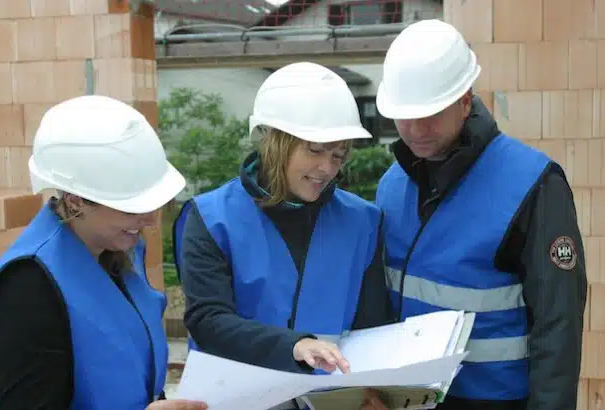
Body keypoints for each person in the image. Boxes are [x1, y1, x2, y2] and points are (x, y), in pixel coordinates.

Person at [374, 19, 588, 410]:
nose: (417, 129)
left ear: (465, 100)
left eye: (432, 113)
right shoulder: (390, 186)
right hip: (407, 399)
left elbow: (558, 327)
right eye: (405, 115)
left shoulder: (534, 185)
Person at [173, 62, 394, 409]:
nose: (327, 168)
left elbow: (371, 325)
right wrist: (293, 346)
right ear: (275, 141)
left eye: (338, 155)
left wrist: (375, 393)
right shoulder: (211, 217)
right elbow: (208, 320)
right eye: (314, 150)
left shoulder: (363, 221)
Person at [0, 95, 208, 410]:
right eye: (132, 207)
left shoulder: (121, 251)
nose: (149, 221)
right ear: (76, 200)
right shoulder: (26, 287)